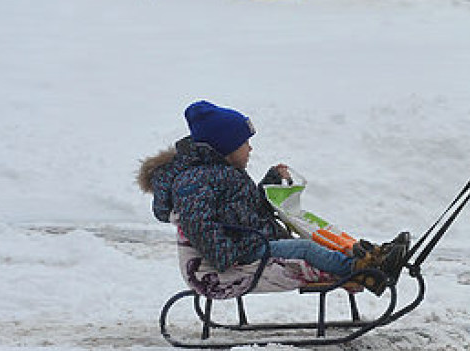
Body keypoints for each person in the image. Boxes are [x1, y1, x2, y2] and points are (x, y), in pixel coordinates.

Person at [138, 101, 401, 290]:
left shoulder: (221, 173)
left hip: (253, 243)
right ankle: (360, 270)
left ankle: (370, 258)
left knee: (316, 234)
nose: (250, 148)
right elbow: (198, 223)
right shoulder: (195, 181)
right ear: (226, 148)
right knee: (305, 248)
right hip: (239, 255)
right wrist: (228, 255)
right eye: (244, 143)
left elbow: (251, 208)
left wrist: (271, 182)